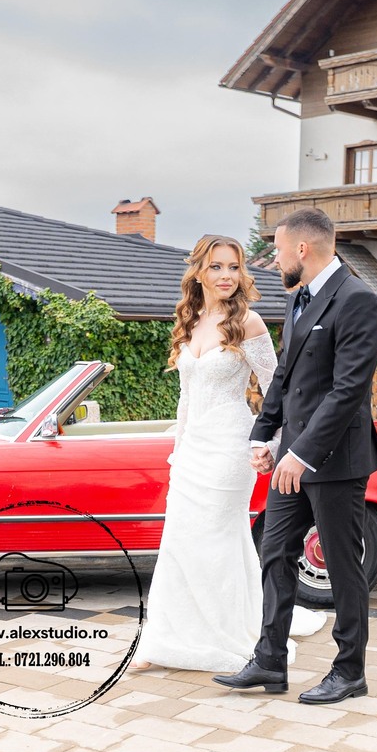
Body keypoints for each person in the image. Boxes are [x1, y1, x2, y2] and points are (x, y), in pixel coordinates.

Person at [214, 207, 377, 705]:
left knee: (342, 566)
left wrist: (303, 454)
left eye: (279, 249)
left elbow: (348, 390)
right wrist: (263, 437)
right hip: (290, 456)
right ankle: (269, 660)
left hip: (335, 462)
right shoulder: (299, 299)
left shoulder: (357, 299)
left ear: (303, 249)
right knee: (275, 553)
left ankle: (349, 672)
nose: (275, 259)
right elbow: (285, 379)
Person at [131, 235, 326, 673]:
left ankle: (223, 635)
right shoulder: (189, 320)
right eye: (217, 266)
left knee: (215, 542)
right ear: (199, 271)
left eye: (234, 267)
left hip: (230, 448)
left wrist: (270, 444)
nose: (226, 276)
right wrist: (178, 452)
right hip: (192, 452)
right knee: (179, 542)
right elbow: (185, 397)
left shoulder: (248, 322)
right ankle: (164, 639)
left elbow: (278, 389)